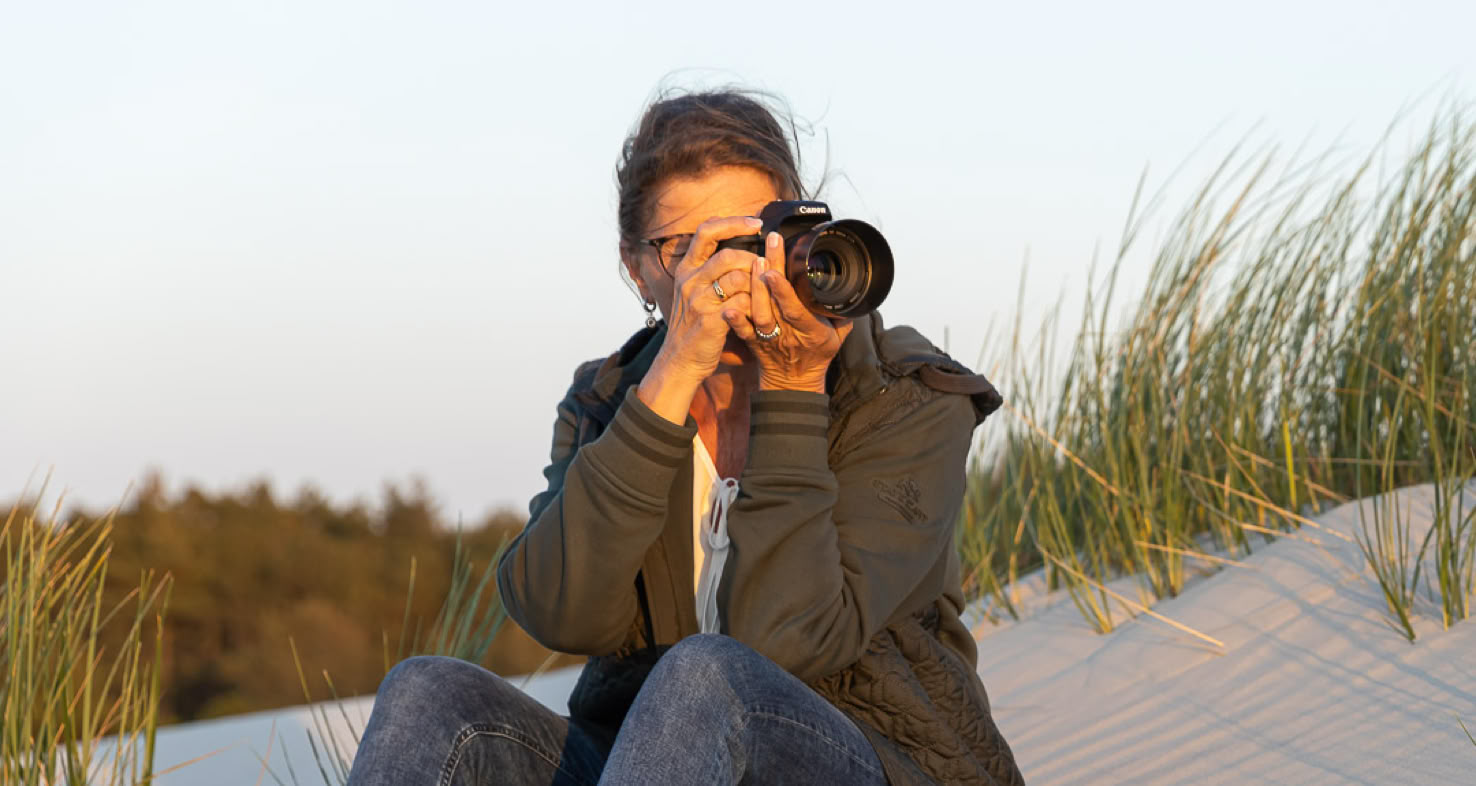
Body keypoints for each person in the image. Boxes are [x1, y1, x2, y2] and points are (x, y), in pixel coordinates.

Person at [347, 88, 1023, 786]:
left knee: (706, 675)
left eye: (756, 236)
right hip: (656, 763)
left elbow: (788, 641)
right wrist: (669, 380)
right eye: (692, 251)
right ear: (636, 265)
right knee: (428, 694)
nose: (735, 271)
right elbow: (559, 610)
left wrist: (793, 387)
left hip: (873, 761)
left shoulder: (903, 396)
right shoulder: (608, 400)